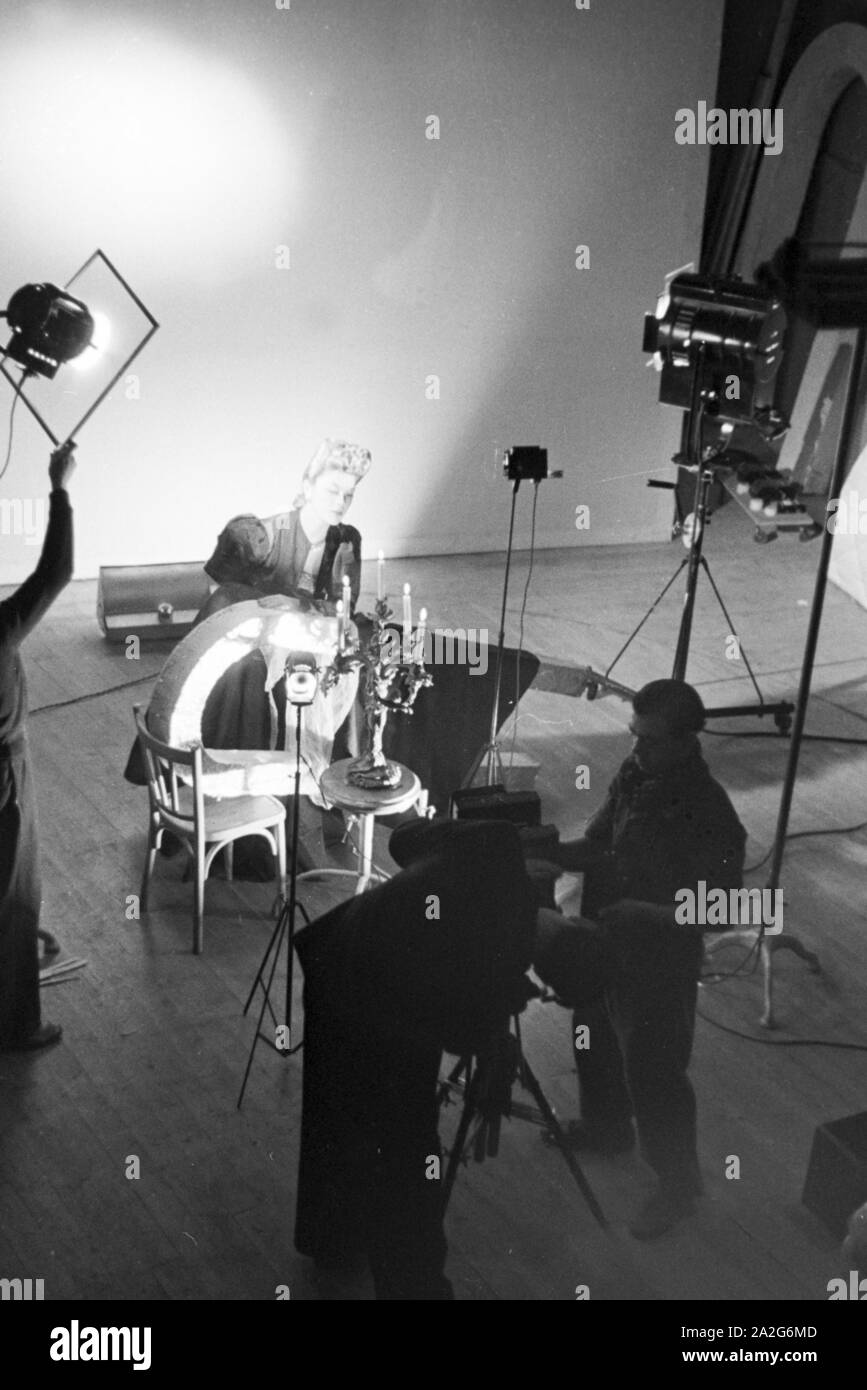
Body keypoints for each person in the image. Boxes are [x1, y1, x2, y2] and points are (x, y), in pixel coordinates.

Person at [531, 679, 746, 1239]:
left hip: (657, 963)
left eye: (648, 742)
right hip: (607, 939)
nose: (635, 750)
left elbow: (725, 907)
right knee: (593, 1037)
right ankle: (606, 1128)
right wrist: (540, 851)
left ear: (685, 743)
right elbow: (602, 844)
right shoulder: (636, 774)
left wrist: (649, 913)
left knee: (655, 1075)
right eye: (633, 737)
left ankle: (678, 1188)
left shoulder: (710, 812)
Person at [293, 816, 537, 1300]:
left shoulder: (496, 847)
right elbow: (458, 1035)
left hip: (346, 957)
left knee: (339, 1120)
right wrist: (494, 1027)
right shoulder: (498, 954)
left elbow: (404, 838)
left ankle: (337, 1244)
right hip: (371, 1000)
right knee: (405, 1161)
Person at [0, 442, 76, 1051]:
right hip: (4, 775)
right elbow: (55, 573)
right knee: (18, 896)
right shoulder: (0, 628)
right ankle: (19, 1026)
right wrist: (59, 488)